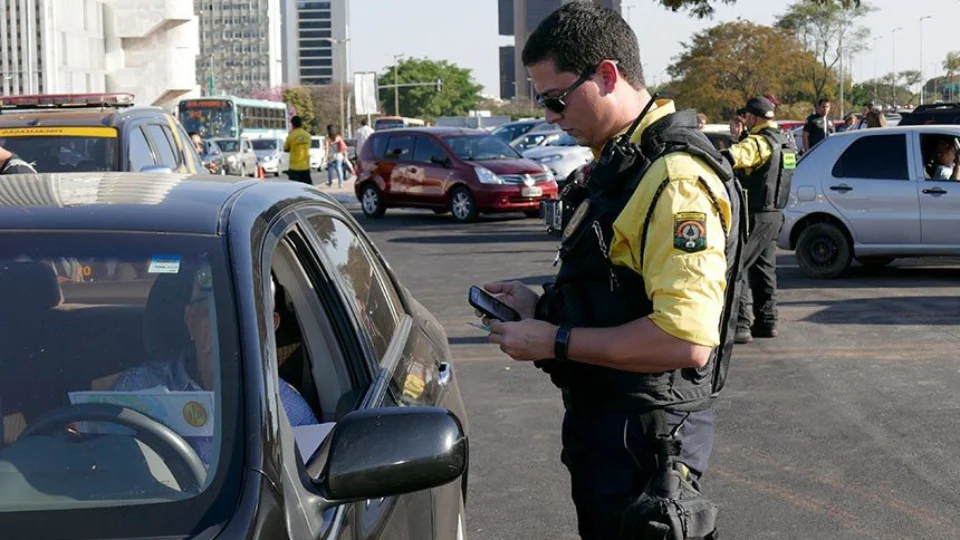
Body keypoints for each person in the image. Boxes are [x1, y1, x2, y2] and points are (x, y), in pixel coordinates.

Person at [475, 3, 745, 538]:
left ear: (606, 74)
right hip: (615, 432)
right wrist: (540, 308)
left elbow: (684, 340)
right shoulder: (624, 162)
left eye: (555, 99)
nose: (550, 115)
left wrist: (555, 340)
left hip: (649, 446)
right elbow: (618, 289)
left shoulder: (674, 180)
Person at [112, 268, 318, 461]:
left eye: (242, 315)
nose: (224, 328)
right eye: (209, 311)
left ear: (268, 328)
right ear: (190, 319)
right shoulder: (136, 390)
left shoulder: (288, 412)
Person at [721, 96, 796, 344]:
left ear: (753, 118)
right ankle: (767, 322)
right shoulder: (786, 142)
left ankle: (740, 326)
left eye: (747, 117)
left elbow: (732, 158)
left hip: (754, 214)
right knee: (764, 269)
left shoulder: (758, 143)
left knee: (736, 267)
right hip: (776, 214)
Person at [284, 116, 313, 184]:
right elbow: (308, 146)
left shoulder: (291, 136)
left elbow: (286, 149)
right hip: (305, 167)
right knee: (307, 189)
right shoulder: (307, 135)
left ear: (292, 124)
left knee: (294, 189)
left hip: (294, 168)